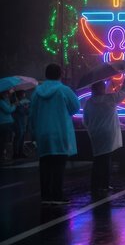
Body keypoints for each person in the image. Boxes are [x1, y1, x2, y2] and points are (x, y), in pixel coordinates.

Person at [31, 63, 81, 205]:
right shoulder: (64, 90)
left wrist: (33, 131)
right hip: (60, 132)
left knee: (45, 164)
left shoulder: (37, 92)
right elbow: (76, 106)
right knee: (58, 165)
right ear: (60, 75)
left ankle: (45, 196)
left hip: (43, 133)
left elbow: (32, 113)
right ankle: (57, 195)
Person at [83, 75, 125, 194]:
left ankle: (97, 184)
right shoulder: (110, 99)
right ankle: (104, 184)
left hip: (95, 133)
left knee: (98, 158)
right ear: (102, 89)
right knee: (106, 158)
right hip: (108, 133)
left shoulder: (89, 103)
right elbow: (124, 92)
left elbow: (85, 120)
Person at [12, 90, 30, 159]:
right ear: (20, 96)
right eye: (23, 94)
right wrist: (26, 108)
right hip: (18, 123)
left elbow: (27, 112)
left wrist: (26, 108)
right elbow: (22, 112)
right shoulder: (17, 104)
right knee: (18, 138)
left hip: (23, 123)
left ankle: (20, 152)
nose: (24, 96)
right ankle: (15, 153)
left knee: (22, 138)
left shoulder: (23, 103)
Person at [0, 90, 16, 161]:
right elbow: (8, 110)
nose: (7, 95)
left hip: (8, 123)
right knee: (3, 140)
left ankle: (3, 154)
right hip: (3, 123)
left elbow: (9, 106)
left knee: (5, 140)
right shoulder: (1, 102)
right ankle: (2, 155)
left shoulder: (5, 101)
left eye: (7, 94)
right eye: (5, 94)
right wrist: (14, 106)